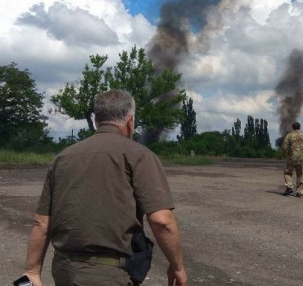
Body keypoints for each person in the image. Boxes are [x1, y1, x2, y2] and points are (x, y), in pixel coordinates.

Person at [20, 89, 187, 286]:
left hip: (63, 269)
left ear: (96, 119)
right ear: (130, 121)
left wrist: (32, 271)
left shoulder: (63, 157)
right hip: (108, 275)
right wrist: (177, 266)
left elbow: (41, 222)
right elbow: (162, 221)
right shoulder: (138, 155)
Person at [281, 121, 303, 197]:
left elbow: (284, 147)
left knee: (287, 172)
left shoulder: (289, 136)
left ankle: (289, 186)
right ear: (299, 127)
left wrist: (283, 155)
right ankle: (299, 191)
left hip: (291, 158)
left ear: (292, 127)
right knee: (300, 175)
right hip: (301, 158)